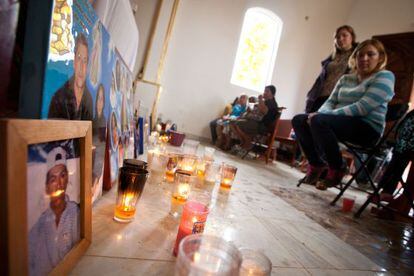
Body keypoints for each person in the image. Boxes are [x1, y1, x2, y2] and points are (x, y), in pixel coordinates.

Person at [292, 39, 395, 190]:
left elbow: (362, 107)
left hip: (367, 129)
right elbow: (331, 101)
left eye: (370, 54)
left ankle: (337, 168)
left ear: (380, 58)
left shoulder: (385, 76)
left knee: (320, 121)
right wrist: (318, 114)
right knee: (299, 120)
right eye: (360, 55)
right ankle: (316, 165)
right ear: (355, 58)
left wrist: (325, 116)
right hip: (340, 123)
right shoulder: (346, 79)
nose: (364, 58)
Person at [29, 147, 80, 276]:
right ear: (47, 187)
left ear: (68, 179)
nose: (59, 183)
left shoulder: (77, 214)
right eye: (53, 179)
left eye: (62, 176)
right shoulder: (37, 229)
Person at [371, 109, 414, 219]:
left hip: (405, 148)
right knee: (396, 163)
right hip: (403, 147)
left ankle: (387, 192)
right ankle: (385, 192)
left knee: (398, 163)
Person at [305, 25, 358, 113]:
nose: (340, 39)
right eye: (337, 37)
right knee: (307, 121)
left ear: (352, 37)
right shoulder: (332, 57)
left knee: (323, 122)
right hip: (321, 95)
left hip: (339, 97)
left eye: (344, 35)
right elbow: (321, 79)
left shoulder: (358, 55)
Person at [48, 33, 93, 120]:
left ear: (87, 66)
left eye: (85, 60)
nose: (81, 66)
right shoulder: (59, 98)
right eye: (79, 58)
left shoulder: (89, 100)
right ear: (74, 62)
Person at [230, 85, 279, 149]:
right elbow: (258, 112)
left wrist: (260, 99)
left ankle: (247, 142)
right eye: (264, 91)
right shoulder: (266, 101)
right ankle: (243, 141)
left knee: (238, 124)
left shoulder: (272, 102)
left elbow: (264, 111)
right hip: (256, 122)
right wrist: (250, 111)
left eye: (267, 91)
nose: (264, 92)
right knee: (232, 123)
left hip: (262, 126)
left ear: (272, 94)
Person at [92, 84, 106, 193]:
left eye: (102, 99)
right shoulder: (92, 119)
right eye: (98, 98)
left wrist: (96, 179)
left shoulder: (103, 122)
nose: (99, 102)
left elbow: (100, 150)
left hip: (95, 170)